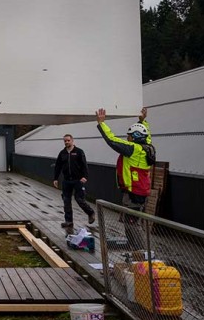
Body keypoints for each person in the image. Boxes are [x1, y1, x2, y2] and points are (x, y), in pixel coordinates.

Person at [95, 107, 152, 249]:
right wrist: (142, 121)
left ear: (136, 137)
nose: (128, 138)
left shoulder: (133, 149)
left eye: (130, 136)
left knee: (131, 224)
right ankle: (137, 251)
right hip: (141, 191)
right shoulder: (148, 147)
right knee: (132, 222)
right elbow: (148, 135)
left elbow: (112, 140)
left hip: (134, 193)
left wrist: (102, 123)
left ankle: (141, 252)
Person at [53, 134, 95, 228]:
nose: (67, 142)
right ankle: (69, 221)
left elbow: (84, 165)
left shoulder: (79, 152)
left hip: (78, 180)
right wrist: (55, 178)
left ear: (72, 141)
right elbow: (58, 166)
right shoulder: (62, 153)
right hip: (67, 180)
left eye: (68, 140)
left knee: (79, 199)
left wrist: (85, 176)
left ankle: (90, 213)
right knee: (66, 200)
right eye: (65, 141)